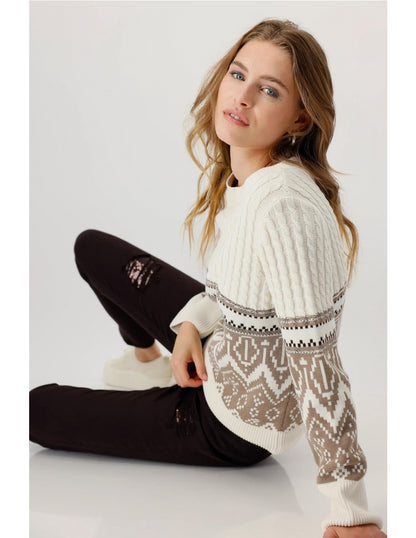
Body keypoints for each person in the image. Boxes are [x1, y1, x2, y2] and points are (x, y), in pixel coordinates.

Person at [30, 18, 386, 538]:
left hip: (236, 422)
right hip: (224, 345)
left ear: (300, 119)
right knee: (93, 248)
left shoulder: (280, 206)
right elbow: (230, 284)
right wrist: (192, 325)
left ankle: (161, 389)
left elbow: (317, 361)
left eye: (269, 90)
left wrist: (349, 509)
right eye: (238, 75)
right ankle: (148, 363)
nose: (242, 96)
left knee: (37, 409)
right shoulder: (253, 177)